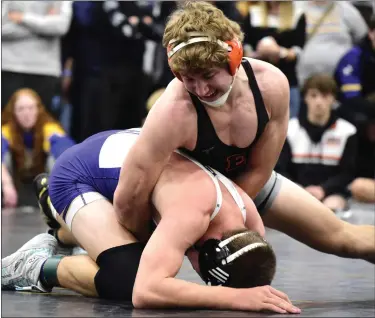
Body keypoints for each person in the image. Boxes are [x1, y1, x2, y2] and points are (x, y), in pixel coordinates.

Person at [111, 1, 375, 264]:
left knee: (342, 238)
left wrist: (224, 219)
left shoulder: (270, 86)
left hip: (245, 182)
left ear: (234, 56)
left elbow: (260, 169)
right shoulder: (172, 112)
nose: (201, 90)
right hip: (185, 193)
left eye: (208, 75)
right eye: (189, 78)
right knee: (232, 271)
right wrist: (145, 242)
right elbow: (128, 197)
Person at [2, 129, 300, 314]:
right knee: (126, 278)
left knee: (145, 246)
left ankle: (60, 222)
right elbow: (146, 292)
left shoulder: (251, 224)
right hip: (79, 174)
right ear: (210, 253)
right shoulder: (191, 213)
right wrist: (232, 299)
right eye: (205, 273)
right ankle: (36, 266)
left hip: (121, 156)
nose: (196, 270)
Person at [276, 74, 357, 213]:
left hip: (331, 193)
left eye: (324, 96)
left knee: (330, 209)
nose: (319, 102)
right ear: (305, 98)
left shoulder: (347, 131)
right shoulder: (290, 129)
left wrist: (323, 189)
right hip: (296, 191)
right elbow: (280, 170)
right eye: (313, 96)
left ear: (333, 99)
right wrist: (300, 190)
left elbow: (348, 173)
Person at [1, 88, 75, 208]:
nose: (26, 113)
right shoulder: (7, 131)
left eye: (30, 108)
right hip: (13, 186)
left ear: (38, 110)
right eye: (21, 109)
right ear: (13, 112)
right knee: (4, 158)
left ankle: (59, 199)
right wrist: (6, 183)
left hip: (44, 185)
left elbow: (67, 153)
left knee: (56, 160)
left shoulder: (49, 129)